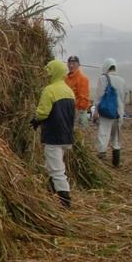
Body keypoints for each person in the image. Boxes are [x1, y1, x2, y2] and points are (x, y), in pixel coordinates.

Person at [30, 59, 75, 208]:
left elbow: (43, 113)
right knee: (53, 164)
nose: (47, 74)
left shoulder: (49, 90)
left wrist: (35, 121)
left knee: (57, 170)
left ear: (54, 72)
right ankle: (49, 191)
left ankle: (65, 202)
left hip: (54, 136)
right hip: (66, 135)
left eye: (48, 71)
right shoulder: (69, 91)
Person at [92, 58, 126, 167]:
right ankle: (116, 162)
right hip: (119, 113)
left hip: (106, 112)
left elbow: (99, 96)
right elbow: (123, 98)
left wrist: (95, 111)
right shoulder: (122, 80)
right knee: (116, 137)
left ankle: (101, 160)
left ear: (106, 67)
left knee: (103, 133)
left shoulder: (103, 78)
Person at [65, 55, 91, 128]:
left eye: (74, 63)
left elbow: (84, 98)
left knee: (80, 133)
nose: (71, 65)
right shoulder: (65, 78)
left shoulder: (83, 79)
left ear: (78, 65)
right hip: (67, 110)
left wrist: (79, 111)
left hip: (79, 111)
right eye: (69, 63)